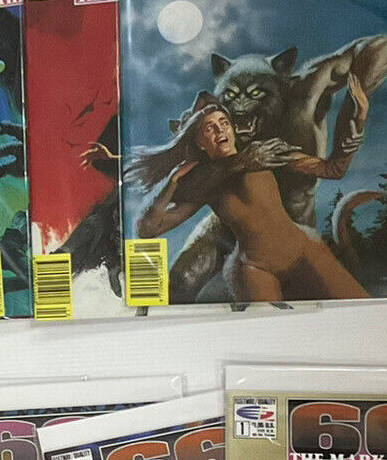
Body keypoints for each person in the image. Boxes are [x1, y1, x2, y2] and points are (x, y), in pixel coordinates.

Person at [129, 74, 370, 303]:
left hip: (303, 251)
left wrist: (359, 120)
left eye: (224, 123)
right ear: (200, 142)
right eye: (209, 128)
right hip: (255, 269)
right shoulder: (207, 186)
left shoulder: (264, 154)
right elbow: (147, 229)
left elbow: (333, 170)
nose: (220, 130)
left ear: (233, 129)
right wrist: (171, 181)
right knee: (266, 327)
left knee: (358, 307)